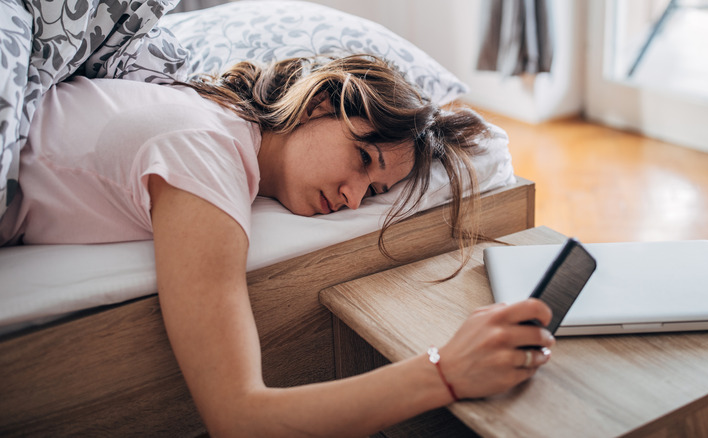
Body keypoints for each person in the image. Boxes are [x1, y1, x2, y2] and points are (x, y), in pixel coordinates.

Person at [0, 54, 554, 436]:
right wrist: (446, 371)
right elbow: (240, 418)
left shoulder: (214, 125)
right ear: (317, 106)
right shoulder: (204, 153)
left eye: (376, 190)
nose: (355, 198)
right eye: (363, 160)